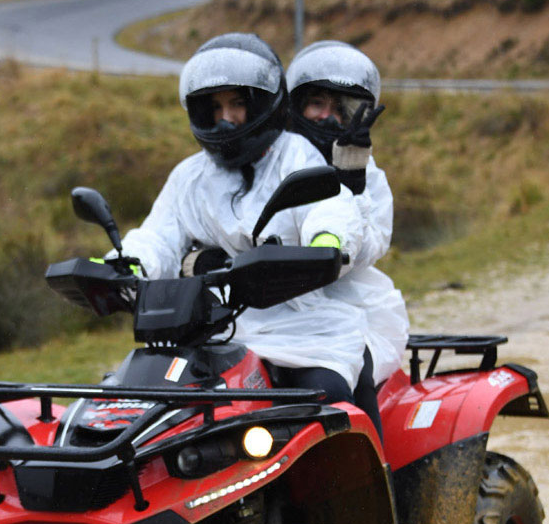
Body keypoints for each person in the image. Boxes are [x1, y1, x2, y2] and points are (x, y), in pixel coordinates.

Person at [115, 32, 374, 410]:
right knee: (155, 406)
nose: (227, 118)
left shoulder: (295, 155)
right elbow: (158, 236)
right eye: (216, 107)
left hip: (300, 328)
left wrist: (326, 242)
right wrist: (126, 263)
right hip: (214, 329)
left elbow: (329, 207)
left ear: (261, 104)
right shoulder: (190, 176)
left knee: (326, 395)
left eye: (237, 103)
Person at [286, 41, 409, 416]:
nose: (327, 117)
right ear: (297, 105)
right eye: (317, 104)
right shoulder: (272, 161)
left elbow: (372, 246)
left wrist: (351, 184)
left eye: (340, 109)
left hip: (345, 301)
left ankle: (369, 451)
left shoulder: (369, 173)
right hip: (267, 304)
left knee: (352, 365)